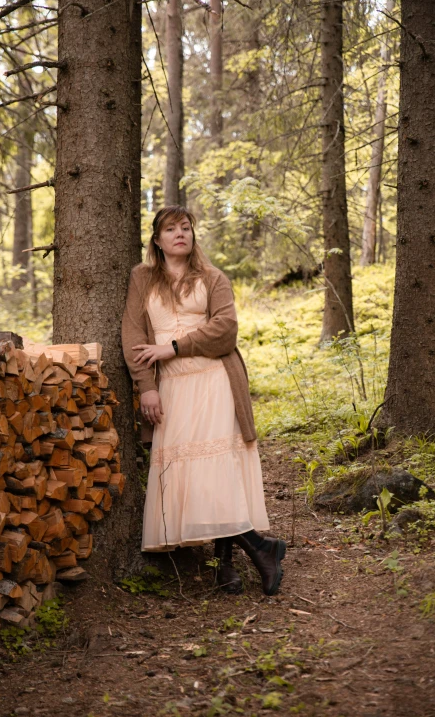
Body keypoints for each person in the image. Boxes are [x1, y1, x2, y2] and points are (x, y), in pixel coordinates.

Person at [121, 205, 286, 596]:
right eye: (170, 229)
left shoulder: (213, 278)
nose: (180, 234)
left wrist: (173, 346)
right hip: (173, 389)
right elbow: (131, 336)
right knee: (192, 478)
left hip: (215, 380)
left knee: (217, 474)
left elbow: (225, 330)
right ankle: (259, 550)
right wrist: (146, 385)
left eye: (186, 227)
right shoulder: (141, 278)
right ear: (157, 241)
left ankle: (228, 564)